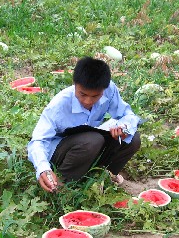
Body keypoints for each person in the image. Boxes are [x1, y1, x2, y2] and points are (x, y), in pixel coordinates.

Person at [28, 56, 141, 192]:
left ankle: (103, 175)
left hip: (88, 145)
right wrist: (43, 169)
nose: (88, 101)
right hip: (60, 151)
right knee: (92, 140)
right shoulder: (59, 105)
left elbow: (128, 114)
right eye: (82, 94)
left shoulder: (109, 90)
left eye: (95, 96)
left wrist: (124, 127)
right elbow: (38, 141)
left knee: (132, 138)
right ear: (74, 84)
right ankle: (62, 184)